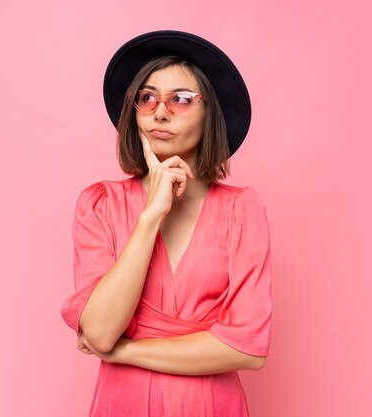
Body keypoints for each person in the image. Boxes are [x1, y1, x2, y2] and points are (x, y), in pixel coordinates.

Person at [61, 30, 273, 417]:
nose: (160, 111)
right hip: (122, 404)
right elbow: (101, 330)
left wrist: (125, 351)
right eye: (147, 97)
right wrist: (150, 217)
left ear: (211, 113)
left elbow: (246, 348)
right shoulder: (100, 204)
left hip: (212, 406)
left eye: (180, 99)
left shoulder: (242, 208)